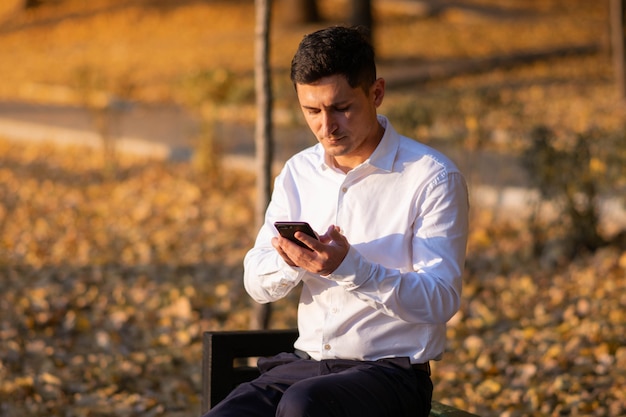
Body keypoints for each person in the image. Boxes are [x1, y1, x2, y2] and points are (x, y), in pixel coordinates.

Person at [205, 25, 469, 417]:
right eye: (311, 111)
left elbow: (440, 299)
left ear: (376, 93)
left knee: (303, 406)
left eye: (341, 108)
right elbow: (255, 282)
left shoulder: (431, 177)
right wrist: (290, 260)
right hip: (303, 365)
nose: (326, 127)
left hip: (390, 374)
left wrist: (350, 268)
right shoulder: (300, 171)